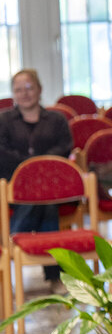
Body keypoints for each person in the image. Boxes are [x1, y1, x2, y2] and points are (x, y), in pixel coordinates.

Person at [0, 69, 73, 290]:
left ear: (39, 90)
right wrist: (29, 166)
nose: (24, 93)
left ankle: (9, 241)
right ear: (13, 93)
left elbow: (64, 148)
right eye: (18, 89)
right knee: (45, 205)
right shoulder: (3, 120)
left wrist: (40, 166)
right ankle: (55, 276)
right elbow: (2, 153)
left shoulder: (57, 120)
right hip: (13, 186)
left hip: (52, 186)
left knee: (46, 200)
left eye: (29, 87)